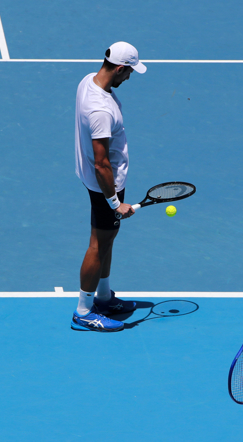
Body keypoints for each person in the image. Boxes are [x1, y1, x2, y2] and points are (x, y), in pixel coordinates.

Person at [71, 42, 147, 332]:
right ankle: (84, 309)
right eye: (129, 72)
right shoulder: (100, 110)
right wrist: (115, 202)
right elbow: (101, 164)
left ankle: (103, 296)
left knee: (109, 237)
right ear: (119, 68)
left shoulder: (88, 80)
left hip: (105, 182)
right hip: (105, 184)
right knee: (98, 243)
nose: (129, 78)